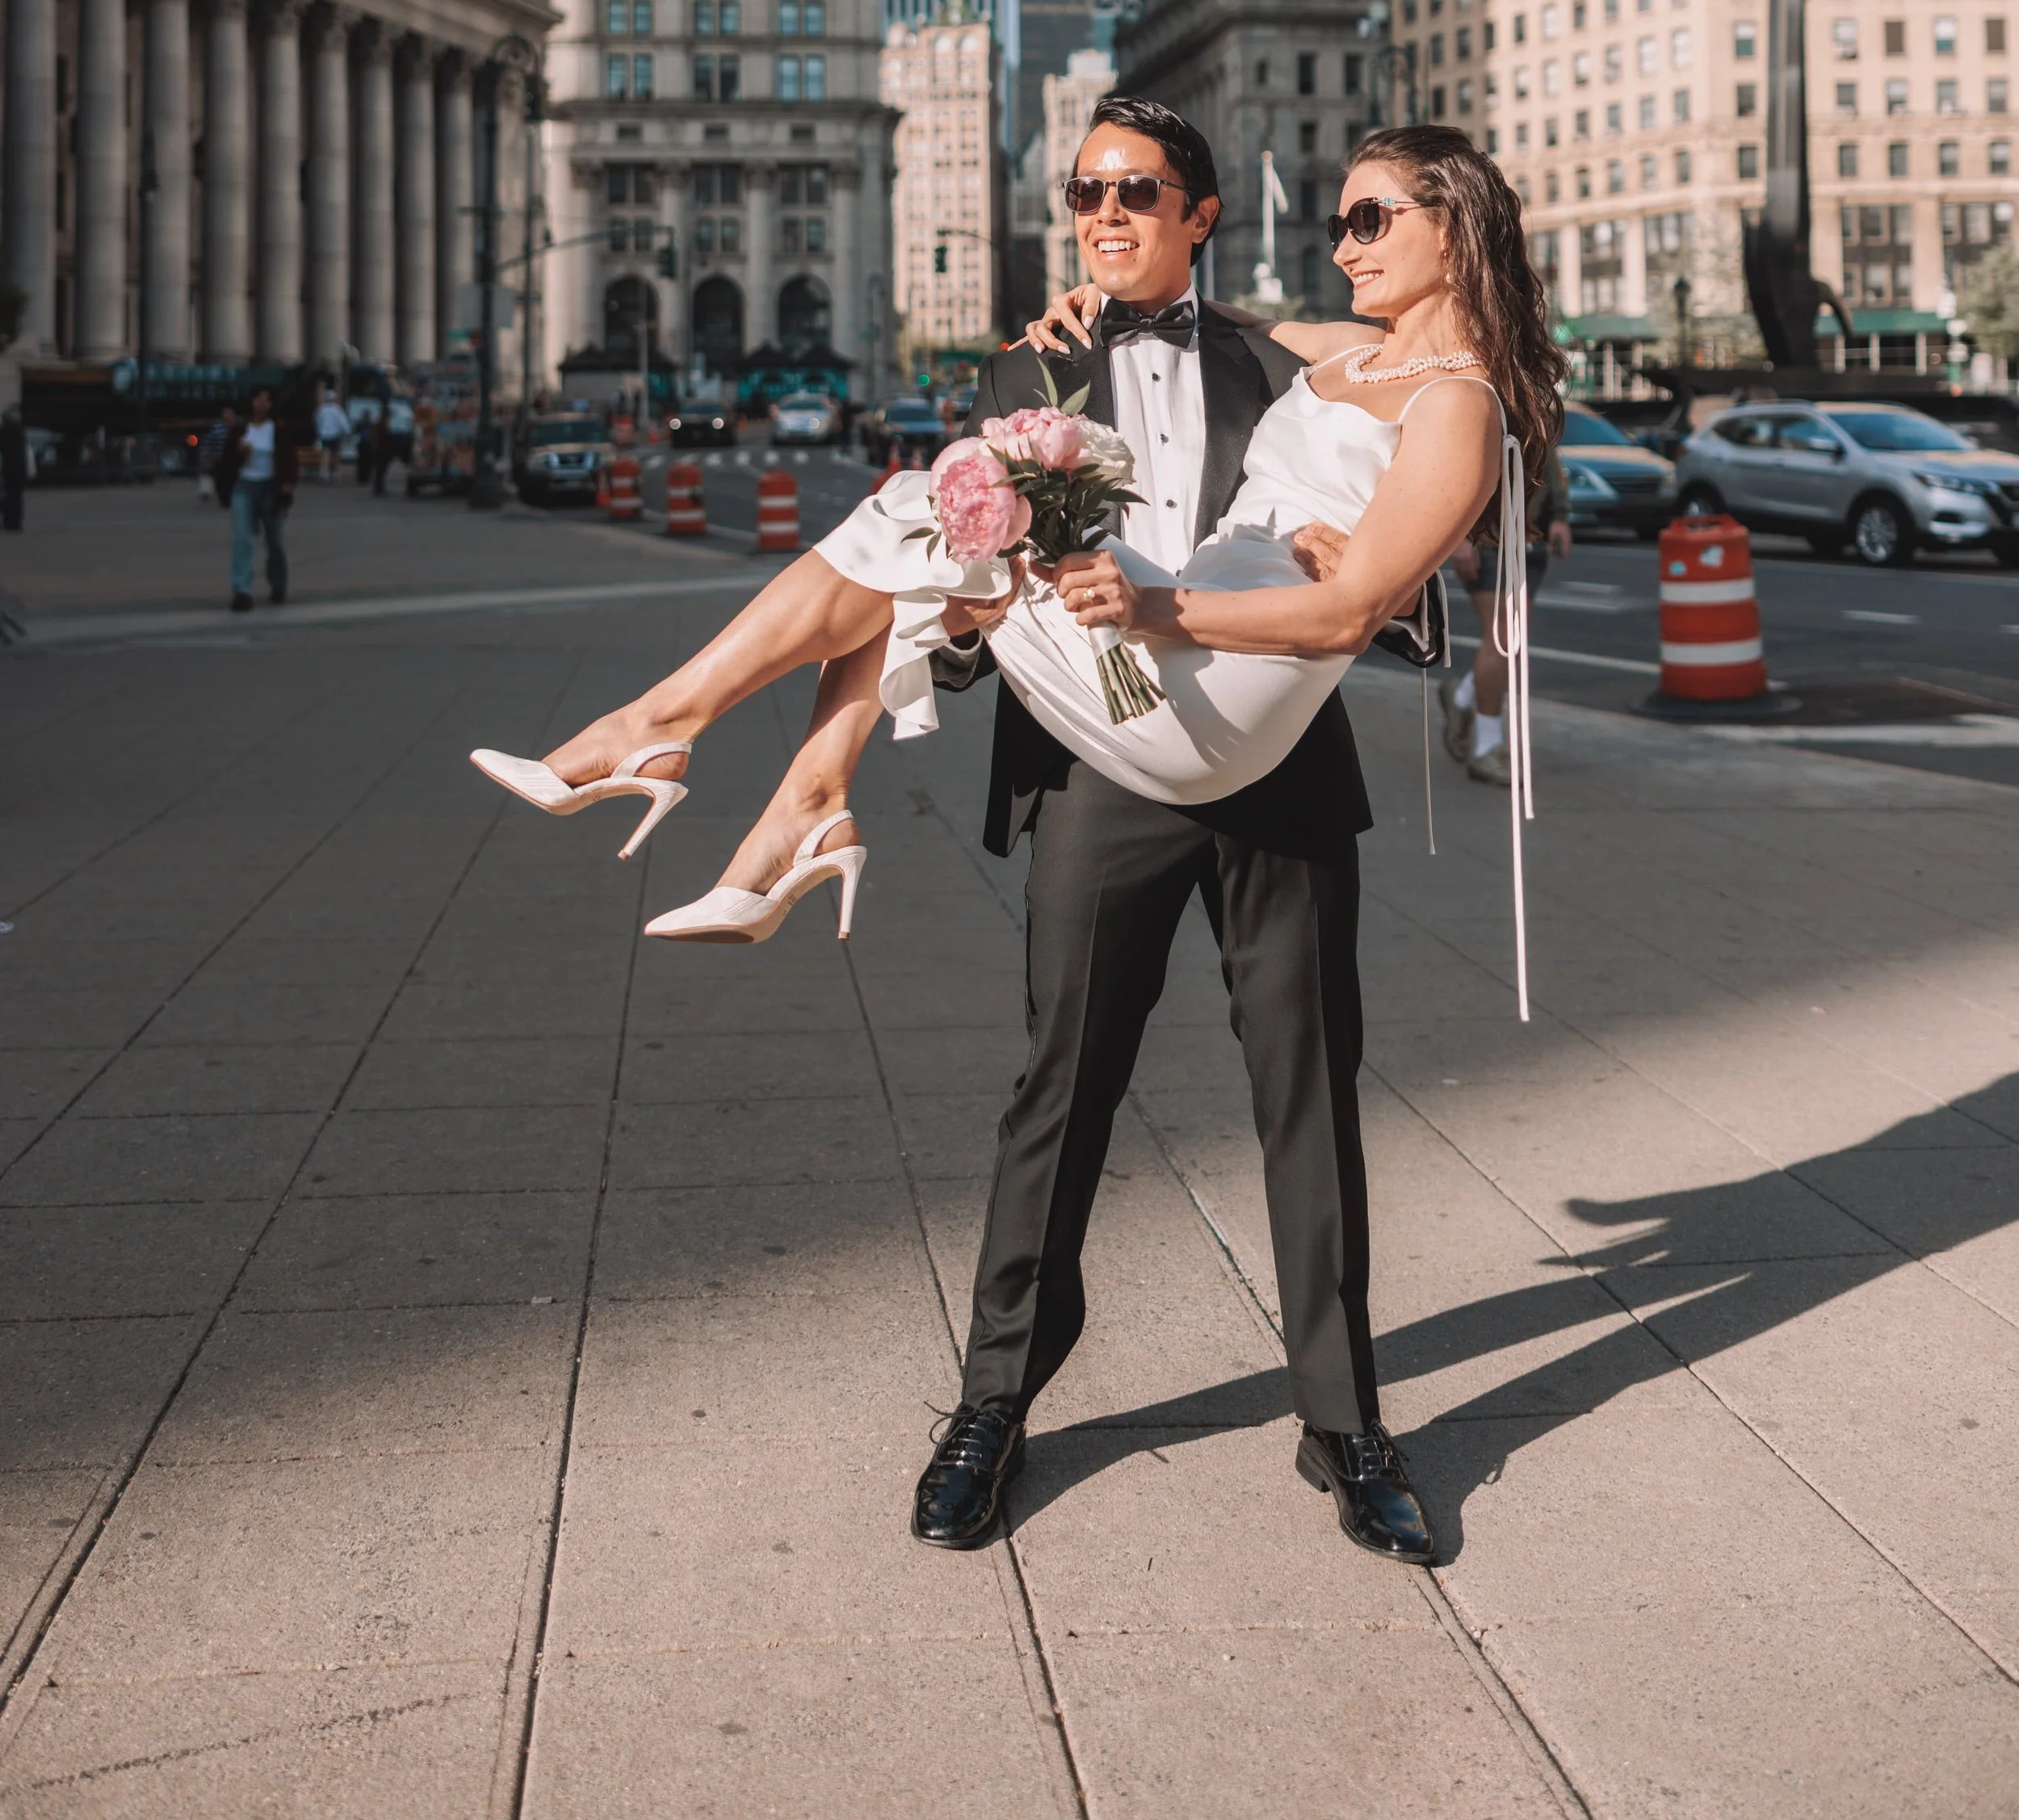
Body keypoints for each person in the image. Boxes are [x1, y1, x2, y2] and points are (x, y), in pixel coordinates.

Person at [473, 110, 1561, 1567]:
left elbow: (1393, 570)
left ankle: (1345, 1419)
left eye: (1137, 191)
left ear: (1203, 209)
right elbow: (997, 611)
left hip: (1274, 752)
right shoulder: (1033, 363)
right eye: (1086, 191)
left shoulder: (1288, 354)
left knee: (1309, 1094)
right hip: (1104, 757)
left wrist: (1282, 583)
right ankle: (995, 1401)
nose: (1105, 212)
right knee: (1061, 1088)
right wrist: (1024, 604)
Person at [1440, 446, 1572, 783]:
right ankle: (1486, 748)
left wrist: (1558, 514)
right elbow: (1455, 462)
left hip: (1529, 534)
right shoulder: (1478, 392)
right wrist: (1463, 537)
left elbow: (1547, 455)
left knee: (1512, 643)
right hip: (1488, 536)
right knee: (1503, 639)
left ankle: (1462, 697)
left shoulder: (1534, 396)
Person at [215, 385, 297, 610]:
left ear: (271, 405)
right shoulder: (241, 430)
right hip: (244, 487)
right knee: (243, 540)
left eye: (266, 400)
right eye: (257, 399)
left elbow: (289, 460)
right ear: (251, 403)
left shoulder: (278, 429)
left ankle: (278, 585)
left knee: (275, 541)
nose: (261, 404)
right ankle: (241, 590)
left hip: (271, 488)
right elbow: (225, 464)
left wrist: (288, 485)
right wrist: (239, 454)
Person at [313, 387, 349, 484]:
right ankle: (335, 472)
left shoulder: (321, 409)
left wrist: (319, 433)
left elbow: (317, 422)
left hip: (324, 434)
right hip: (335, 435)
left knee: (325, 453)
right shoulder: (337, 410)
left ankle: (324, 472)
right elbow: (343, 423)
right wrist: (347, 431)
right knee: (335, 454)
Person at [0, 405, 26, 534]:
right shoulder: (18, 430)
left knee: (9, 497)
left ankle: (10, 522)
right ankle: (16, 523)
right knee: (16, 497)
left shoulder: (6, 430)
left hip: (10, 469)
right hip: (20, 469)